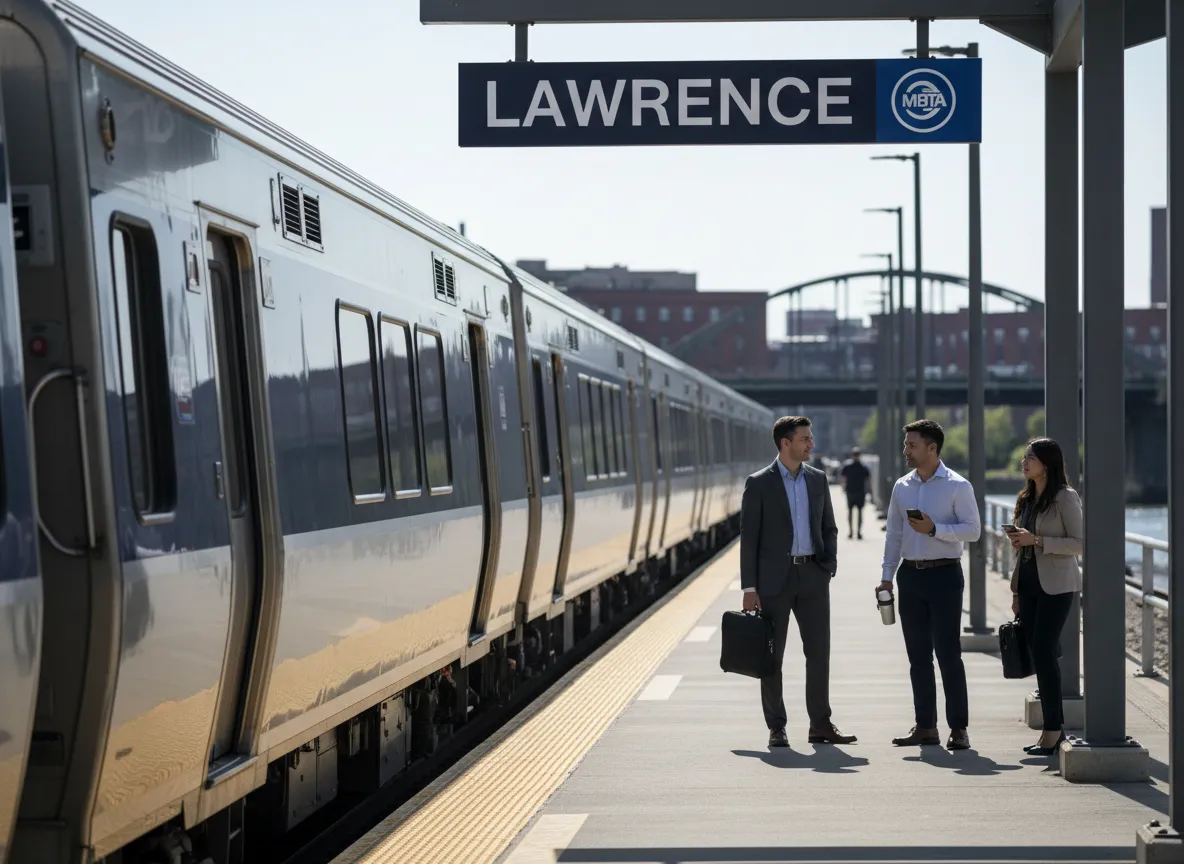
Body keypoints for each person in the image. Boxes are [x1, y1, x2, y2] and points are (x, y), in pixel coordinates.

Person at [739, 415, 855, 748]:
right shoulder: (759, 483)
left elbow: (829, 527)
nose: (812, 444)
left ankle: (820, 723)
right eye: (805, 439)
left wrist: (828, 566)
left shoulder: (818, 480)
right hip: (773, 581)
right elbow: (750, 538)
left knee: (819, 653)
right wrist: (750, 588)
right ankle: (777, 726)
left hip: (813, 576)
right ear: (785, 443)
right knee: (772, 656)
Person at [878, 418, 981, 751]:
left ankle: (959, 728)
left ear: (932, 448)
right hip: (911, 576)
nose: (905, 450)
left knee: (949, 654)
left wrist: (936, 529)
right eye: (905, 444)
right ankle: (925, 726)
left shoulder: (957, 486)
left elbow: (974, 530)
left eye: (912, 445)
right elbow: (894, 534)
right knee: (917, 656)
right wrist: (886, 577)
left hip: (945, 575)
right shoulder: (902, 486)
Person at [1007, 437, 1082, 756]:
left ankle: (1053, 730)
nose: (1024, 462)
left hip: (1057, 584)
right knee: (1040, 650)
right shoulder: (1025, 497)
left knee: (1043, 649)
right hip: (1028, 583)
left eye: (1031, 457)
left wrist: (1036, 539)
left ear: (1047, 463)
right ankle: (1052, 729)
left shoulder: (1065, 498)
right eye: (1024, 457)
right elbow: (1023, 548)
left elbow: (1078, 543)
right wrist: (1014, 588)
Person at [839, 447, 872, 539]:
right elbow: (868, 480)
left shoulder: (847, 466)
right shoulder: (863, 467)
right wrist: (869, 491)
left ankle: (850, 531)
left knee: (850, 511)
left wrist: (842, 488)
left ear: (852, 455)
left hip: (850, 491)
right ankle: (858, 532)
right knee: (860, 511)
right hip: (860, 492)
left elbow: (842, 478)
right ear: (860, 455)